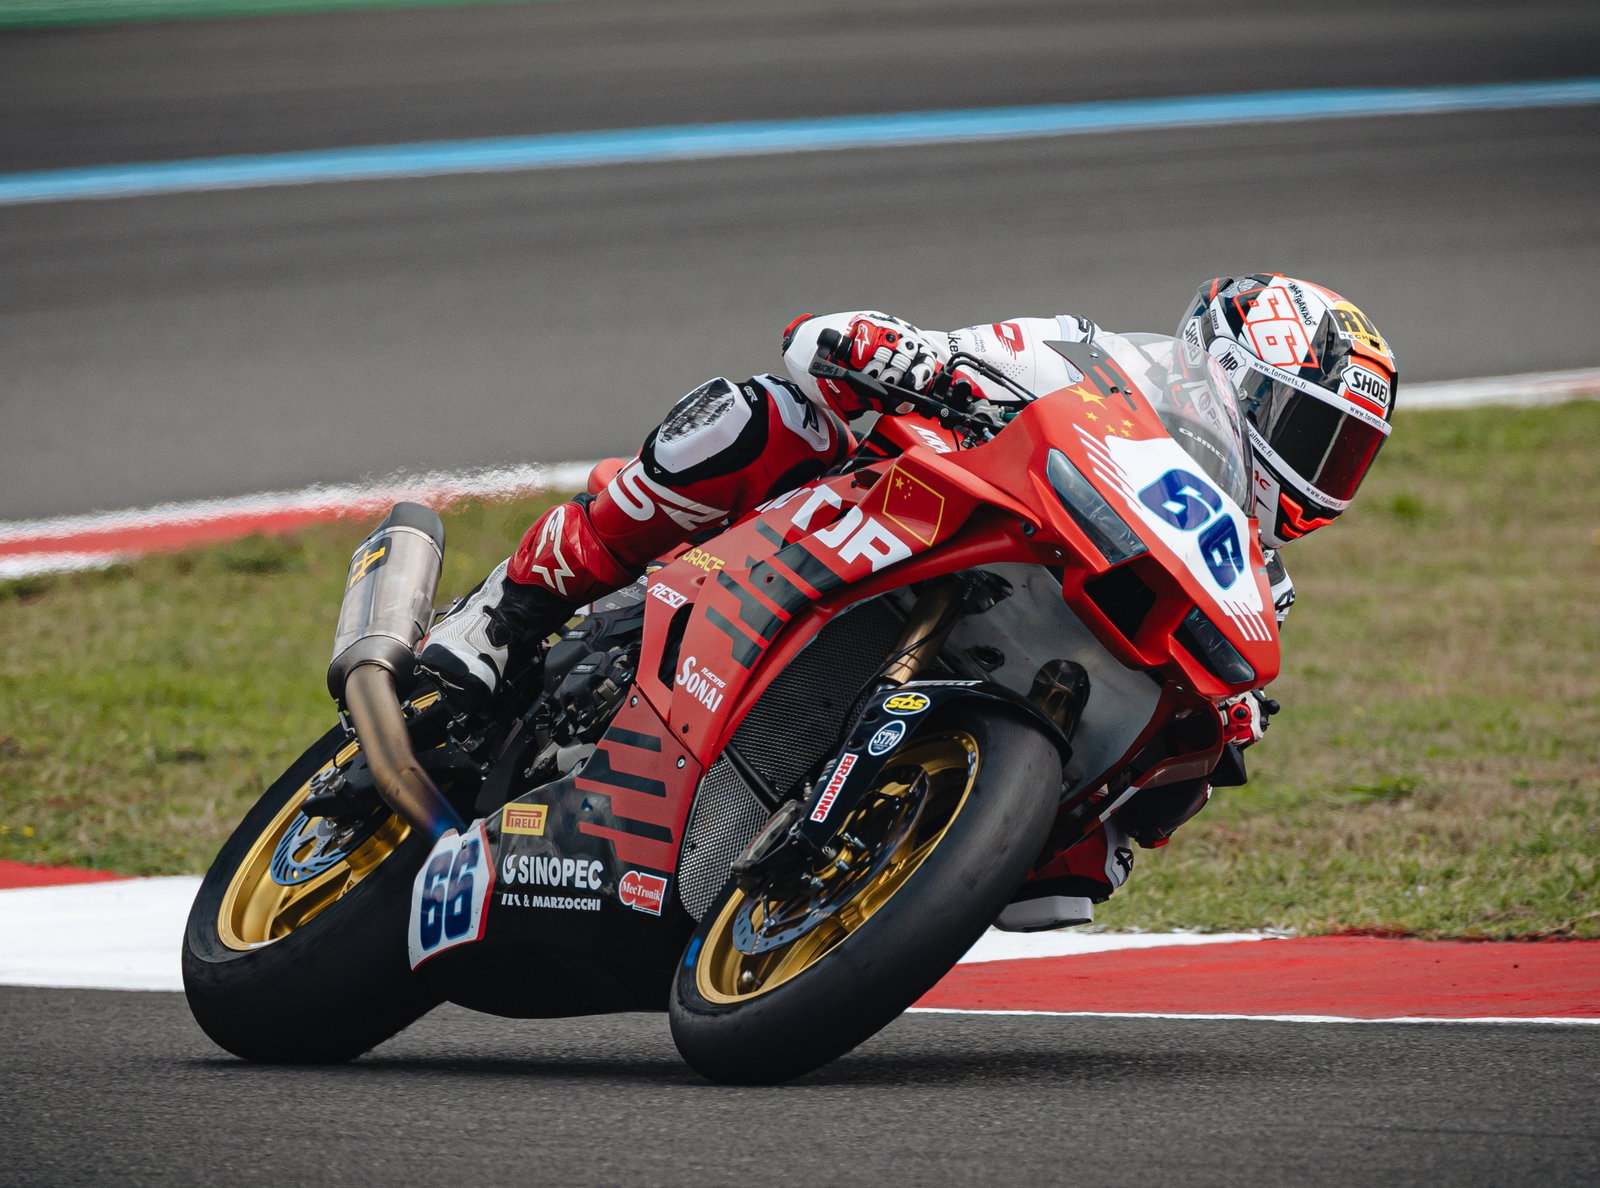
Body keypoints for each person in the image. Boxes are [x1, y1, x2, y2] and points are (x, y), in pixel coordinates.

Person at [418, 274, 1399, 928]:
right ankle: (509, 607)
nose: (1318, 473)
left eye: (1343, 457)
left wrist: (1197, 751)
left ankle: (874, 857)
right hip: (904, 513)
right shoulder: (1096, 359)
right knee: (778, 415)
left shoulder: (1254, 580)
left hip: (1019, 650)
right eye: (1310, 432)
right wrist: (907, 358)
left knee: (1188, 757)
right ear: (1229, 372)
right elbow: (894, 347)